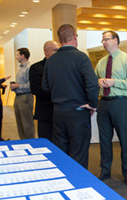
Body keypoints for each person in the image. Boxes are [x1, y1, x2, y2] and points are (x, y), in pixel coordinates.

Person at [42, 24, 99, 169]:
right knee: (79, 153)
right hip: (78, 112)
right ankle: (78, 186)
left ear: (59, 39)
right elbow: (92, 84)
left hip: (58, 113)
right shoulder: (81, 57)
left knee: (61, 152)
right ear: (74, 36)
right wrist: (92, 104)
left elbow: (45, 87)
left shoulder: (51, 61)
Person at [95, 30, 127, 187]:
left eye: (107, 39)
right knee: (104, 140)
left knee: (124, 140)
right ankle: (105, 171)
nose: (104, 42)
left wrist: (115, 82)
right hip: (103, 103)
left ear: (116, 40)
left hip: (121, 103)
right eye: (103, 40)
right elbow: (95, 82)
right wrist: (99, 82)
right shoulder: (101, 62)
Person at [29, 41, 59, 142]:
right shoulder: (36, 68)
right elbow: (36, 89)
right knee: (47, 143)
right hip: (45, 114)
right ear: (46, 52)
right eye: (55, 50)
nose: (58, 53)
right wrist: (58, 92)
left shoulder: (62, 67)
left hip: (61, 114)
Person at [10, 48, 35, 139]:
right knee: (19, 121)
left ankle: (30, 142)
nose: (16, 57)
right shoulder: (21, 68)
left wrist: (17, 86)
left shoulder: (29, 68)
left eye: (17, 55)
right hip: (18, 97)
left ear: (23, 56)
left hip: (25, 97)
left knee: (27, 122)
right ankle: (23, 141)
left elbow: (30, 85)